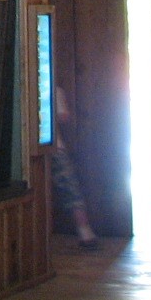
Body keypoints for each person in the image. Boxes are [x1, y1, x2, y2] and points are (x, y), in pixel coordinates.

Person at [51, 86, 99, 250]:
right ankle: (85, 233)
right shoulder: (54, 89)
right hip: (54, 148)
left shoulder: (53, 89)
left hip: (54, 148)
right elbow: (63, 115)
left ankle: (85, 233)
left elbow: (63, 116)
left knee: (70, 189)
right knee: (70, 189)